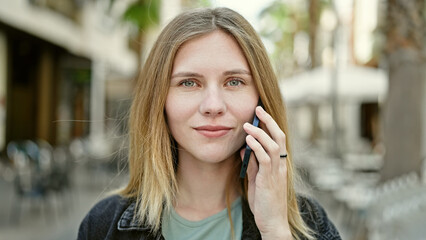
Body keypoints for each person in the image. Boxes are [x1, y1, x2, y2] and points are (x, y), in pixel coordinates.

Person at [78, 7, 341, 240]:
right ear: (159, 100)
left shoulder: (312, 224)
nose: (213, 106)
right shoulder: (103, 226)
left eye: (234, 82)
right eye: (189, 83)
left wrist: (275, 231)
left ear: (261, 98)